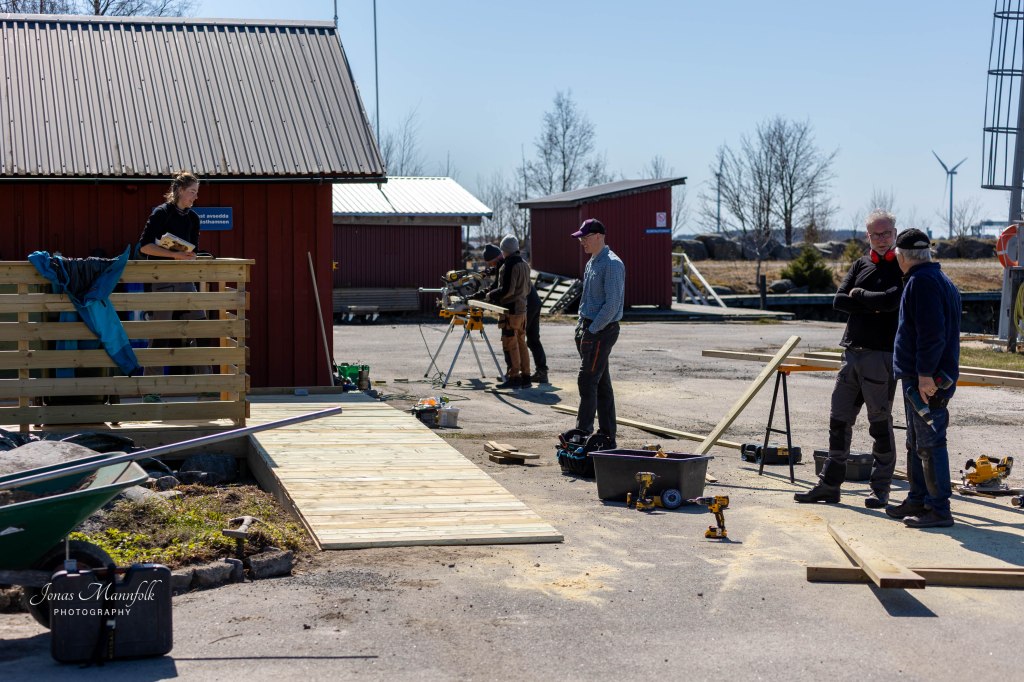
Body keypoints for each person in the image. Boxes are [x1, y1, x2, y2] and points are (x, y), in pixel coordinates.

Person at [795, 210, 903, 508]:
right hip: (852, 353)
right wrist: (873, 303)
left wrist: (860, 296)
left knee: (879, 424)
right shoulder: (860, 263)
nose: (881, 239)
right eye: (875, 234)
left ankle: (880, 488)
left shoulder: (901, 266)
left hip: (882, 355)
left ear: (895, 233)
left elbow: (892, 301)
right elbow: (839, 301)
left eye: (886, 233)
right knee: (838, 420)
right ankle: (829, 485)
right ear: (867, 236)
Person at [884, 228, 961, 529]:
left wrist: (925, 375)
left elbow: (932, 334)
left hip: (927, 379)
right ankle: (918, 499)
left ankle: (939, 509)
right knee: (916, 441)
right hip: (923, 376)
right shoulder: (939, 279)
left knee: (930, 443)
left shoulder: (922, 282)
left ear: (902, 256)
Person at [136, 171, 208, 399]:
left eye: (196, 192)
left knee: (200, 328)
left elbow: (192, 251)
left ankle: (207, 386)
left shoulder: (193, 218)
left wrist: (188, 256)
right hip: (162, 280)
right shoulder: (161, 213)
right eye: (192, 192)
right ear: (179, 191)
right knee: (160, 335)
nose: (195, 197)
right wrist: (174, 254)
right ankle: (151, 391)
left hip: (185, 280)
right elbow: (145, 247)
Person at [571, 218, 624, 446]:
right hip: (589, 327)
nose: (582, 242)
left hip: (601, 329)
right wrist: (580, 325)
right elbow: (586, 299)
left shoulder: (612, 264)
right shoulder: (592, 262)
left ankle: (583, 432)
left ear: (599, 236)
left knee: (587, 380)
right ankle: (607, 434)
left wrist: (592, 330)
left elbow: (612, 305)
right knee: (601, 382)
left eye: (585, 237)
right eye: (580, 238)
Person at [482, 243, 549, 385]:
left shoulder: (508, 265)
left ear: (499, 255)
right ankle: (536, 372)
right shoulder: (518, 262)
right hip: (531, 303)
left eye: (491, 262)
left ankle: (514, 373)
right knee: (528, 339)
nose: (492, 265)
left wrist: (488, 295)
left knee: (513, 339)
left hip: (522, 305)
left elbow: (504, 289)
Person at [484, 235, 531, 389]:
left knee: (510, 343)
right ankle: (526, 376)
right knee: (521, 342)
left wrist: (491, 295)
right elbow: (528, 289)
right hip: (522, 309)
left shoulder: (508, 265)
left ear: (505, 250)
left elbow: (507, 290)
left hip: (511, 310)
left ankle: (514, 376)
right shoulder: (524, 264)